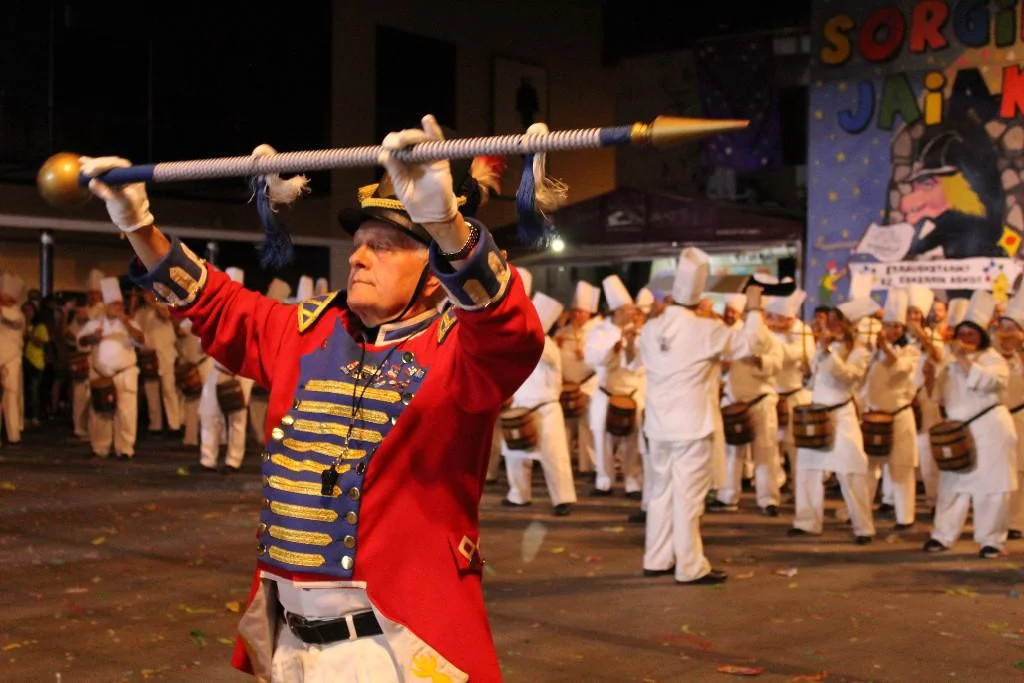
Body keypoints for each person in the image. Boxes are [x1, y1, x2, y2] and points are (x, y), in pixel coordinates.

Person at [79, 113, 543, 682]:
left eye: (383, 246)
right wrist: (137, 224)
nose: (358, 257)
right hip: (290, 645)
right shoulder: (309, 329)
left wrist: (447, 226)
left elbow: (509, 332)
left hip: (391, 650)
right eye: (359, 244)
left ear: (432, 276)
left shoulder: (459, 350)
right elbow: (214, 304)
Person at [638, 247, 764, 586]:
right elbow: (752, 344)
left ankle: (656, 558)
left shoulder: (650, 329)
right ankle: (690, 566)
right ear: (698, 298)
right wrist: (754, 307)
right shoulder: (704, 329)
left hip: (658, 425)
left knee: (661, 492)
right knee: (688, 499)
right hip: (692, 427)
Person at [924, 290, 1017, 558]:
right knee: (952, 485)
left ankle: (991, 540)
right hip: (959, 431)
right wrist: (930, 377)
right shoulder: (950, 362)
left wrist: (963, 359)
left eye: (971, 334)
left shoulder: (993, 359)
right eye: (961, 333)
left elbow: (988, 383)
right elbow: (938, 396)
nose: (965, 338)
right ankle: (942, 535)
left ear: (981, 336)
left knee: (991, 487)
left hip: (990, 429)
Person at [790, 300, 875, 545]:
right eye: (831, 320)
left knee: (850, 470)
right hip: (817, 415)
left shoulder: (860, 351)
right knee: (808, 470)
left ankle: (863, 527)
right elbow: (815, 382)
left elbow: (847, 377)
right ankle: (807, 522)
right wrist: (806, 374)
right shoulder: (824, 346)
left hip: (842, 416)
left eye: (838, 321)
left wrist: (826, 352)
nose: (832, 325)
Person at [500, 288, 577, 516]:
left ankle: (562, 499)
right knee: (514, 456)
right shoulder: (520, 344)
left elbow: (538, 348)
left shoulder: (548, 345)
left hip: (546, 409)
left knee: (555, 457)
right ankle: (518, 495)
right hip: (521, 407)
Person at [863, 289, 921, 530]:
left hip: (899, 415)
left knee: (901, 468)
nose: (893, 330)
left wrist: (885, 349)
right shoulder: (870, 351)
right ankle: (861, 513)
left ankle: (905, 517)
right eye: (888, 325)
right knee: (868, 469)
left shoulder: (912, 351)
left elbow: (901, 369)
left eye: (897, 326)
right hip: (874, 416)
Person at [584, 275, 644, 498]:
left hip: (631, 392)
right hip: (605, 392)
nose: (632, 313)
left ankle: (632, 482)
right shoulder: (599, 331)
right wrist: (615, 348)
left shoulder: (639, 332)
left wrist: (630, 346)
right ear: (617, 311)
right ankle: (604, 481)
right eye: (628, 309)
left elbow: (638, 365)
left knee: (632, 441)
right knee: (602, 439)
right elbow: (592, 359)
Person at [194, 267, 255, 473]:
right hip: (217, 369)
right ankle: (207, 459)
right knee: (209, 414)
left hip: (241, 372)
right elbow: (200, 345)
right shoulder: (216, 313)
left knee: (237, 417)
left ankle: (233, 461)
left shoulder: (249, 314)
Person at [77, 277, 144, 460]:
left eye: (119, 304)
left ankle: (125, 449)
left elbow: (140, 340)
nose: (118, 307)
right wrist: (93, 338)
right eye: (114, 305)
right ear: (106, 306)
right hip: (102, 375)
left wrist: (125, 321)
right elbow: (81, 341)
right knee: (100, 414)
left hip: (125, 373)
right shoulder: (95, 323)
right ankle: (100, 448)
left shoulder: (129, 323)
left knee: (126, 413)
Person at [135, 289, 182, 437]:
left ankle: (174, 425)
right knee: (151, 391)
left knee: (169, 389)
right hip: (149, 356)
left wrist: (153, 303)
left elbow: (167, 316)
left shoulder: (164, 304)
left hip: (165, 354)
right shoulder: (140, 312)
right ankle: (155, 425)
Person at [0, 273, 26, 446]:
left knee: (11, 395)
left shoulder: (18, 314)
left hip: (11, 358)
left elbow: (14, 321)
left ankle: (13, 434)